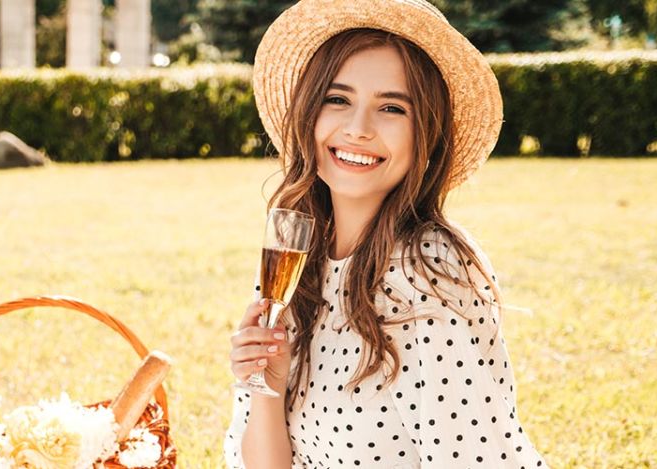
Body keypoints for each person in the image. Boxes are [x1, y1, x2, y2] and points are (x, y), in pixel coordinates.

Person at [225, 0, 550, 467]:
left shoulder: (426, 272)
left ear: (426, 135)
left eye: (392, 108)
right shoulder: (295, 258)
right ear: (308, 115)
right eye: (337, 99)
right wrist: (268, 389)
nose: (358, 129)